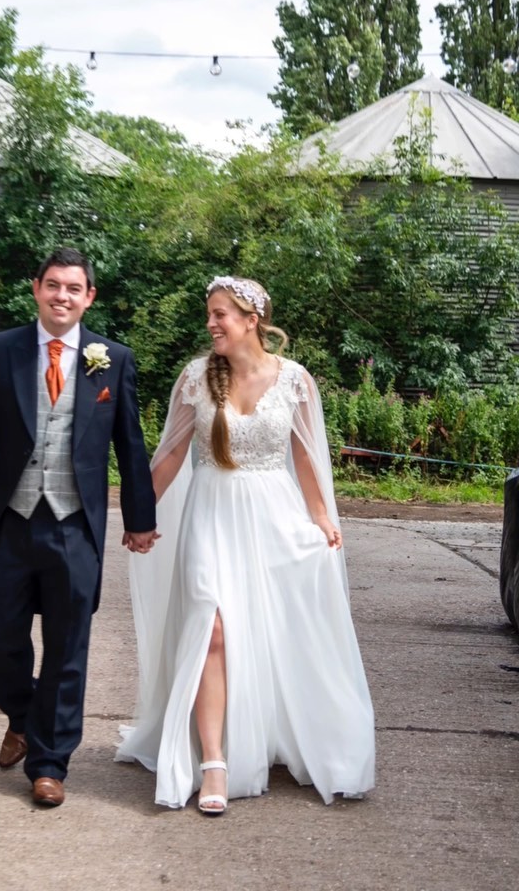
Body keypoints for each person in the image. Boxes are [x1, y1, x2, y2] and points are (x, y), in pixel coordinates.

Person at [116, 275, 375, 812]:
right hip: (211, 515)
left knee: (273, 630)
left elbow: (305, 455)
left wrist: (322, 517)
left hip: (275, 517)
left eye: (220, 315)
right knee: (211, 628)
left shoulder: (296, 380)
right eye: (209, 314)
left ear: (252, 321)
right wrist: (137, 514)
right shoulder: (195, 378)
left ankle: (282, 733)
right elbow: (167, 456)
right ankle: (214, 763)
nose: (210, 324)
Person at [0, 247, 157, 808]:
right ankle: (21, 714)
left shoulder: (112, 358)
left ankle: (49, 763)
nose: (62, 296)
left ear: (89, 297)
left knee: (68, 649)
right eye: (53, 285)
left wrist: (140, 520)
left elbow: (129, 448)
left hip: (74, 526)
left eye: (73, 288)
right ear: (36, 288)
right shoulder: (0, 351)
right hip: (8, 522)